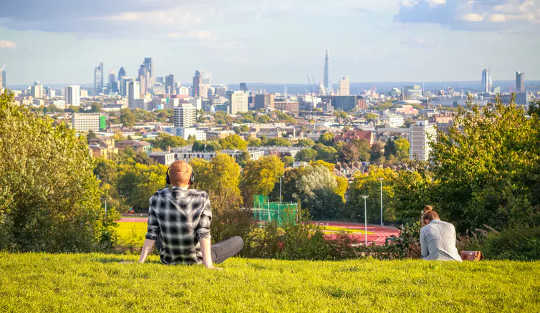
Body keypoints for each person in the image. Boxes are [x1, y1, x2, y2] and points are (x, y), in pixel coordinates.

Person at [138, 160, 243, 268]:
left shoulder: (157, 197)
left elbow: (152, 233)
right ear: (191, 179)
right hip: (196, 259)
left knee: (159, 229)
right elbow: (203, 233)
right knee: (238, 241)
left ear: (168, 179)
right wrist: (209, 265)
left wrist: (140, 262)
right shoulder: (201, 197)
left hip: (168, 259)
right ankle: (206, 258)